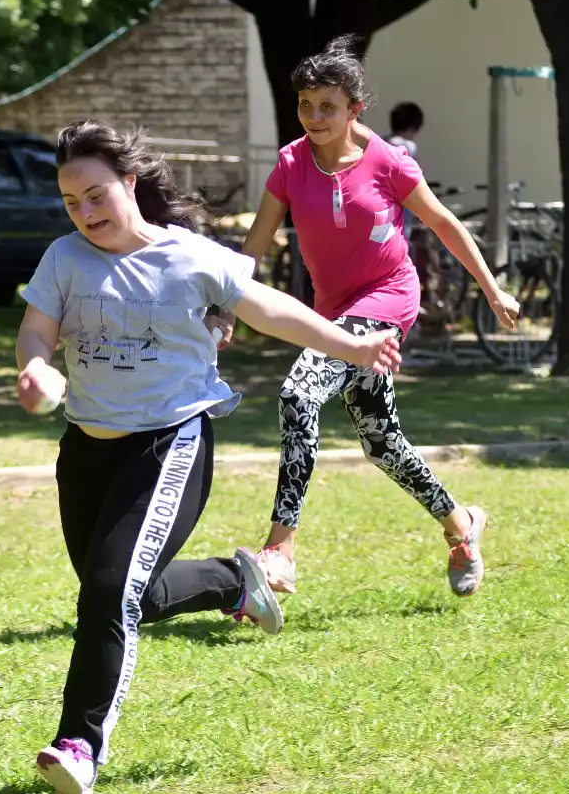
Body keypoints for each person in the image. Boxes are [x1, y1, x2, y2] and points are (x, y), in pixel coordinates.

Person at [16, 119, 401, 794]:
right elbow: (36, 329)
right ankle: (234, 582)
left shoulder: (189, 257)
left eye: (97, 195)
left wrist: (351, 346)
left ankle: (79, 745)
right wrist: (37, 367)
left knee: (108, 593)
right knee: (132, 595)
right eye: (72, 202)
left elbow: (270, 310)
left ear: (129, 182)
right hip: (86, 450)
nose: (86, 212)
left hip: (167, 444)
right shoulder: (64, 259)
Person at [218, 36, 519, 599]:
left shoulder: (388, 162)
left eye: (327, 107)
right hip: (333, 312)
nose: (314, 117)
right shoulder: (290, 164)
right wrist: (226, 306)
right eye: (305, 105)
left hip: (387, 298)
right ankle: (462, 525)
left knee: (299, 394)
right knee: (381, 442)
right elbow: (255, 242)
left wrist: (493, 290)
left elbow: (444, 223)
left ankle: (280, 550)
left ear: (355, 108)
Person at [386, 102, 425, 239]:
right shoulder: (408, 146)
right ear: (413, 128)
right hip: (401, 206)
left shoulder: (381, 142)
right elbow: (414, 180)